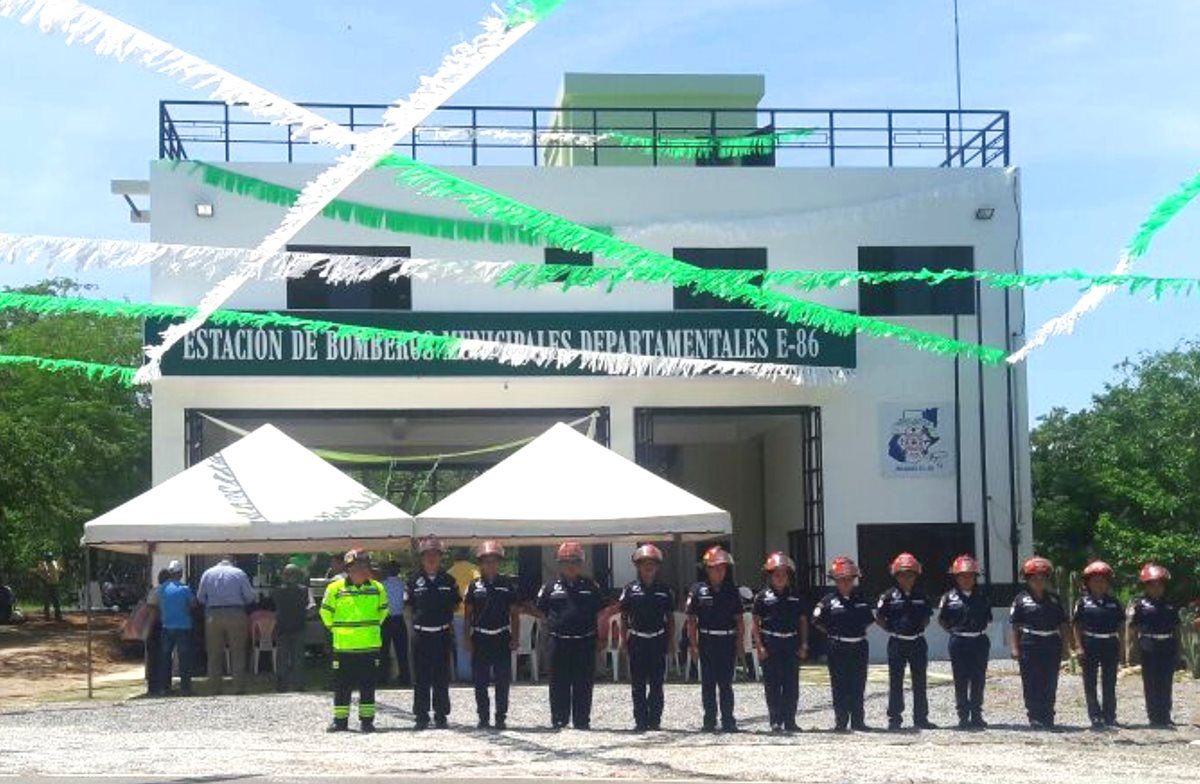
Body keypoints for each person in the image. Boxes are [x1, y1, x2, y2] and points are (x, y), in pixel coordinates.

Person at [536, 540, 603, 730]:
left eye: (574, 561)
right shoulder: (550, 587)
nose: (571, 566)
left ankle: (582, 720)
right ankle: (559, 718)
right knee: (558, 682)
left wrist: (601, 638)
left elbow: (600, 613)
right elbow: (541, 610)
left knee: (583, 682)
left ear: (581, 563)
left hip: (585, 641)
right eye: (566, 562)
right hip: (558, 641)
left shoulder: (591, 586)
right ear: (560, 565)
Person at [320, 549, 388, 733]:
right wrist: (337, 630)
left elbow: (383, 612)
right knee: (342, 686)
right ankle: (340, 721)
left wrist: (368, 628)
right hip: (343, 647)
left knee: (368, 686)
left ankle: (367, 721)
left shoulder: (377, 588)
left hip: (369, 647)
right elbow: (325, 613)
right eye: (355, 567)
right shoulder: (334, 588)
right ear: (348, 568)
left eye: (363, 566)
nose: (360, 570)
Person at [812, 556, 874, 732]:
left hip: (859, 645)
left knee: (858, 683)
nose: (846, 583)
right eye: (842, 580)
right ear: (835, 581)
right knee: (839, 684)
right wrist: (834, 634)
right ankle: (841, 721)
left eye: (849, 579)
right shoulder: (827, 601)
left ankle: (858, 721)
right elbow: (817, 621)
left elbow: (869, 620)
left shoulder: (861, 599)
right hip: (837, 646)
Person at [875, 552, 935, 731]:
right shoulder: (888, 596)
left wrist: (918, 629)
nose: (906, 578)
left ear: (916, 576)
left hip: (917, 642)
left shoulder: (922, 596)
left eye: (910, 574)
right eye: (902, 575)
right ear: (896, 576)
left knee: (920, 681)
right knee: (896, 682)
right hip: (897, 643)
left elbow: (927, 617)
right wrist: (892, 630)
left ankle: (921, 718)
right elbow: (879, 617)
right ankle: (895, 719)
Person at [686, 545, 743, 733]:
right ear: (707, 569)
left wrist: (740, 643)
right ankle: (709, 720)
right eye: (716, 568)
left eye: (723, 568)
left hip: (727, 640)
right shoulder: (697, 590)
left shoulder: (732, 591)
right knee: (708, 683)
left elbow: (739, 619)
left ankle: (728, 720)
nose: (720, 572)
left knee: (726, 683)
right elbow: (691, 620)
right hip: (707, 640)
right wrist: (693, 645)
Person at [464, 540, 520, 730]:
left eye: (494, 561)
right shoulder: (473, 586)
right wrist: (467, 639)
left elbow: (514, 614)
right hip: (480, 638)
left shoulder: (508, 585)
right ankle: (483, 717)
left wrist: (515, 638)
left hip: (501, 637)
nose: (490, 564)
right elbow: (467, 615)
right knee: (480, 682)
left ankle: (501, 717)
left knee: (502, 681)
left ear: (499, 563)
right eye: (486, 561)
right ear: (480, 563)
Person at [619, 543, 675, 732]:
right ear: (638, 566)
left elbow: (670, 618)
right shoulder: (630, 589)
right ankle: (640, 721)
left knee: (657, 684)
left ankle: (655, 720)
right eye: (644, 563)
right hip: (637, 640)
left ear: (657, 566)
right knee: (638, 684)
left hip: (658, 640)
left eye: (652, 563)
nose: (648, 567)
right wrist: (622, 640)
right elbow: (624, 616)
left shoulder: (665, 590)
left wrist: (671, 641)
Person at [407, 536, 461, 730]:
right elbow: (409, 605)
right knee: (420, 677)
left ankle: (441, 715)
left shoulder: (449, 580)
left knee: (441, 676)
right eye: (427, 555)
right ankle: (421, 715)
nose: (431, 558)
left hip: (442, 634)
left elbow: (456, 603)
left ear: (440, 558)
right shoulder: (413, 580)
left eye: (435, 555)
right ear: (422, 558)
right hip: (420, 635)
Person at [1009, 555, 1069, 729]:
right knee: (1031, 681)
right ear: (1028, 580)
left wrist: (1066, 647)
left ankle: (1048, 716)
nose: (1038, 581)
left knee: (1050, 680)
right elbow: (1014, 625)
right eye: (1034, 578)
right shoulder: (1020, 599)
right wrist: (1014, 647)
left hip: (1051, 642)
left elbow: (1063, 624)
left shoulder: (1055, 599)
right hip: (1029, 642)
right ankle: (1034, 716)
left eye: (1042, 578)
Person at [752, 551, 808, 733]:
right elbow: (755, 622)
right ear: (770, 577)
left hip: (791, 643)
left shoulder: (796, 597)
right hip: (770, 642)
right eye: (776, 574)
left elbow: (803, 621)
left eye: (784, 574)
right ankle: (775, 721)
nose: (780, 578)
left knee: (791, 685)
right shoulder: (762, 597)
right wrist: (759, 646)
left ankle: (790, 720)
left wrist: (804, 644)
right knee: (772, 685)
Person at [937, 554, 992, 729]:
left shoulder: (983, 596)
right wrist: (955, 632)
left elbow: (988, 619)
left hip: (979, 641)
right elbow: (942, 620)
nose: (967, 579)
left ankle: (976, 714)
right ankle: (963, 716)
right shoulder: (948, 597)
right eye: (962, 576)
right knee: (960, 679)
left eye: (970, 576)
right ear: (956, 577)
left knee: (978, 679)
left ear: (975, 577)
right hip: (959, 642)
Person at [1072, 560, 1123, 729]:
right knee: (1090, 682)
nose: (1099, 584)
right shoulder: (1082, 603)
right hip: (1090, 643)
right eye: (1095, 581)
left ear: (1108, 583)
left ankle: (1110, 716)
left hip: (1110, 643)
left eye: (1103, 581)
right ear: (1088, 583)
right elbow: (1076, 626)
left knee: (1109, 682)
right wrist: (1078, 647)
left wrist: (1122, 648)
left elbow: (1121, 626)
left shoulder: (1114, 603)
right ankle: (1095, 716)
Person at [1128, 563, 1180, 727]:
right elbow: (1133, 630)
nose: (1156, 589)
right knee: (1151, 682)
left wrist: (1179, 649)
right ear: (1146, 587)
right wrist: (1132, 650)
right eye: (1153, 585)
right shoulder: (1140, 605)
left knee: (1166, 682)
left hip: (1167, 644)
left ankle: (1165, 715)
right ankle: (1153, 716)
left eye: (1160, 585)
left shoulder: (1171, 605)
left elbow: (1177, 629)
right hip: (1148, 645)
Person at [196, 556, 255, 695]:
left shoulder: (208, 573)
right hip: (235, 612)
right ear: (232, 562)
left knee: (214, 653)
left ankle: (214, 687)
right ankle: (238, 687)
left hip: (213, 615)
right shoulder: (239, 573)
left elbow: (200, 597)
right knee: (238, 651)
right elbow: (250, 596)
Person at [157, 561, 196, 696]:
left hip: (166, 626)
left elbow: (158, 602)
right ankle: (185, 688)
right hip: (183, 626)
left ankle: (164, 687)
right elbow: (193, 604)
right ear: (180, 573)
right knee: (184, 657)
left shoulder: (162, 588)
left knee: (165, 657)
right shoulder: (185, 589)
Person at [272, 564, 311, 692]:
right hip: (299, 626)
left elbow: (275, 605)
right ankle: (299, 685)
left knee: (282, 658)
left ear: (284, 576)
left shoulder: (278, 590)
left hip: (282, 627)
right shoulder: (304, 590)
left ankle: (282, 685)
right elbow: (309, 607)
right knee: (298, 657)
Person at [380, 561, 410, 687]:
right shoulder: (403, 584)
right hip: (399, 619)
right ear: (398, 571)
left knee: (383, 651)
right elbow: (407, 600)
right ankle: (405, 678)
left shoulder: (381, 585)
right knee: (402, 651)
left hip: (385, 619)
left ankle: (382, 679)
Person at [144, 567, 170, 696]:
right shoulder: (169, 591)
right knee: (164, 656)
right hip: (163, 625)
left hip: (154, 626)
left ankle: (152, 686)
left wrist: (147, 629)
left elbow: (151, 612)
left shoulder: (154, 592)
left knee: (153, 657)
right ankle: (164, 685)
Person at [34, 552, 64, 622]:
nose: (49, 559)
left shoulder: (55, 563)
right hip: (47, 585)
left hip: (55, 584)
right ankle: (47, 616)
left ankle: (58, 616)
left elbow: (61, 571)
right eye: (48, 557)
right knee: (46, 601)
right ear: (46, 558)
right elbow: (38, 573)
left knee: (56, 600)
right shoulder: (42, 564)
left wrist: (59, 578)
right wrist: (43, 580)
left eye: (50, 557)